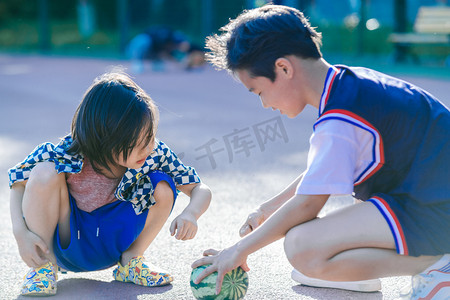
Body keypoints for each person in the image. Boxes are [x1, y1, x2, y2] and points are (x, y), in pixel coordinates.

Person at [191, 4, 450, 299]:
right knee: (314, 259)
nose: (264, 104)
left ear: (284, 68)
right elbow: (324, 169)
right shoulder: (348, 84)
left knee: (303, 248)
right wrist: (268, 208)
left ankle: (439, 266)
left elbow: (308, 204)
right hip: (430, 199)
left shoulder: (340, 117)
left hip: (438, 210)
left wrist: (237, 251)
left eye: (259, 91)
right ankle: (375, 268)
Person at [8, 72, 212, 296]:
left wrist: (191, 213)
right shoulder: (68, 153)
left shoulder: (154, 153)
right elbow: (18, 180)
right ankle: (42, 268)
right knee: (44, 172)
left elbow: (199, 188)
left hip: (113, 245)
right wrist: (21, 233)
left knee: (162, 185)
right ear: (104, 138)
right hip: (66, 245)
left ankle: (131, 262)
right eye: (138, 142)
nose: (149, 147)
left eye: (151, 136)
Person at [126, 26, 206, 73]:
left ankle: (156, 63)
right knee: (145, 42)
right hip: (140, 43)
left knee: (159, 59)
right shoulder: (164, 39)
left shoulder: (176, 40)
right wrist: (180, 64)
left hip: (152, 48)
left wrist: (185, 64)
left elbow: (185, 48)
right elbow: (164, 53)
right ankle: (137, 62)